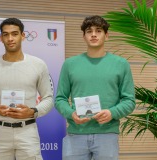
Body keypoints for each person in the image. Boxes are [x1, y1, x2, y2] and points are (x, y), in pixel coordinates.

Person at [55, 15, 136, 160]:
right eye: (89, 31)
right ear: (84, 36)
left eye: (98, 31)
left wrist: (112, 113)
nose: (93, 34)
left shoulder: (121, 64)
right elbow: (60, 99)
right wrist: (71, 114)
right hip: (75, 134)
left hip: (107, 135)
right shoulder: (70, 64)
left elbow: (129, 101)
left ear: (107, 35)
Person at [0, 18, 53, 160]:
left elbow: (48, 98)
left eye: (14, 34)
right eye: (6, 34)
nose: (10, 38)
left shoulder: (38, 65)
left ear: (23, 36)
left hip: (28, 132)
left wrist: (33, 111)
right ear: (1, 38)